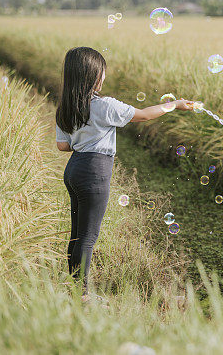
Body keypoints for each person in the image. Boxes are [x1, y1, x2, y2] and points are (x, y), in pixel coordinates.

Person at [55, 46, 194, 303]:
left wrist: (84, 138)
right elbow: (142, 116)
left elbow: (63, 146)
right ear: (93, 76)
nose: (105, 76)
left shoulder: (66, 107)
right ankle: (82, 296)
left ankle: (74, 290)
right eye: (102, 71)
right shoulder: (105, 105)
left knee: (77, 233)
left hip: (73, 170)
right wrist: (174, 104)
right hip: (95, 171)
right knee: (88, 236)